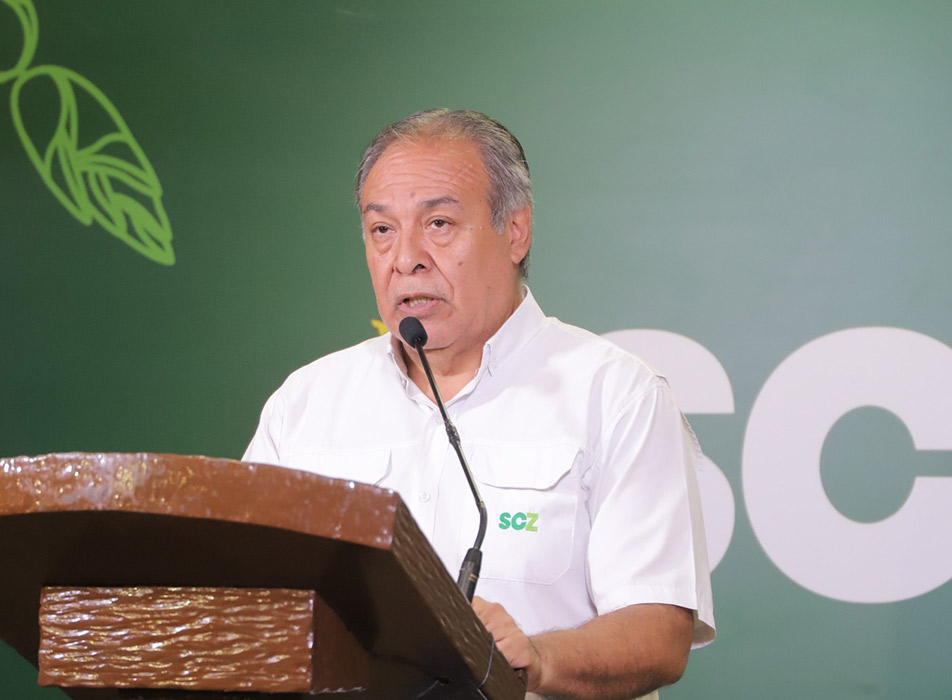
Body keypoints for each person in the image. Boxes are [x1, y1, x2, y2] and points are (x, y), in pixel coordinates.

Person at [243, 108, 714, 700]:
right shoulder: (305, 403)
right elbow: (242, 602)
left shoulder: (616, 394)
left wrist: (538, 658)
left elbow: (659, 632)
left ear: (515, 232)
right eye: (382, 229)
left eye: (438, 223)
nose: (405, 258)